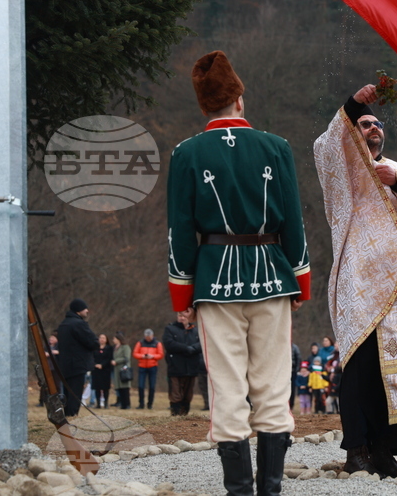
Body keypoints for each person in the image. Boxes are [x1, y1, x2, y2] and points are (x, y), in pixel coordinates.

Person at [166, 51, 313, 496]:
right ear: (240, 100)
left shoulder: (186, 153)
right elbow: (294, 222)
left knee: (228, 391)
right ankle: (270, 491)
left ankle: (240, 493)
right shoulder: (277, 147)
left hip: (214, 282)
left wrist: (182, 299)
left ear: (204, 106)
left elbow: (180, 232)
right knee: (271, 387)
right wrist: (300, 283)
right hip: (272, 276)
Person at [314, 82, 397, 477]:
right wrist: (354, 104)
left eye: (377, 124)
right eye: (364, 124)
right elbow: (325, 146)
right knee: (361, 371)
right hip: (361, 290)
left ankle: (384, 450)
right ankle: (356, 449)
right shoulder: (343, 175)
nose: (373, 128)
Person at [55, 298, 100, 418]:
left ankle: (67, 415)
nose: (87, 311)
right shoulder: (78, 324)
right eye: (85, 309)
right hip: (78, 364)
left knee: (67, 393)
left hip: (65, 364)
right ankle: (72, 416)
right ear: (79, 311)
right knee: (75, 393)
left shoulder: (63, 324)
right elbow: (93, 342)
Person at [163, 307, 203, 416]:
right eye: (180, 316)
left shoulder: (195, 330)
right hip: (175, 366)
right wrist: (186, 348)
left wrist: (193, 348)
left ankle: (184, 415)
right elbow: (169, 343)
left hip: (191, 367)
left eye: (184, 316)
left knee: (188, 394)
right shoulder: (170, 329)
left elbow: (202, 343)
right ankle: (175, 415)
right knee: (176, 393)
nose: (182, 318)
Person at [133, 329, 164, 410]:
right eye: (147, 336)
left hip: (152, 366)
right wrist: (142, 356)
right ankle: (141, 403)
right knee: (140, 386)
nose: (148, 338)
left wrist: (152, 356)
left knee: (152, 386)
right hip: (142, 366)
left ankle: (150, 404)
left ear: (152, 336)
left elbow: (160, 355)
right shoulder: (140, 343)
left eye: (149, 336)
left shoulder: (157, 343)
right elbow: (135, 353)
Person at [92, 334, 114, 409]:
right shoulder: (95, 348)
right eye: (100, 338)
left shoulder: (109, 348)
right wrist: (95, 364)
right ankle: (98, 404)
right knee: (97, 387)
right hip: (96, 370)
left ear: (106, 339)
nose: (102, 339)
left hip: (105, 370)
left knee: (105, 387)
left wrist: (102, 365)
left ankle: (105, 403)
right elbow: (92, 357)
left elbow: (109, 358)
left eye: (103, 338)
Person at [112, 332, 133, 410]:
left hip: (124, 369)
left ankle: (127, 404)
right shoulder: (115, 347)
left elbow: (126, 358)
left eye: (114, 339)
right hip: (117, 369)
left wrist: (117, 361)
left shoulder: (125, 347)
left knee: (125, 387)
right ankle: (122, 404)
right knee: (119, 387)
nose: (113, 340)